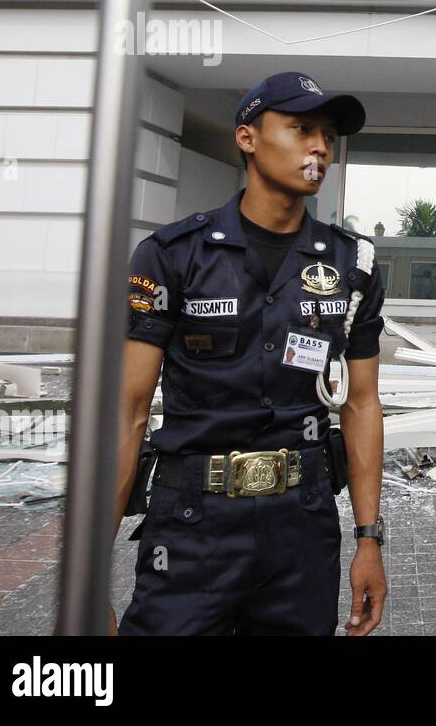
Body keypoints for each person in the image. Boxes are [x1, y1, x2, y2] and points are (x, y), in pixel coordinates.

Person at [112, 71, 388, 635]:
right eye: (301, 129)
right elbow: (128, 412)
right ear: (248, 139)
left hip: (302, 529)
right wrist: (91, 571)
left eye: (328, 137)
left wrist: (369, 539)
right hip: (192, 526)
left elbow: (361, 405)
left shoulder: (350, 267)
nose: (319, 147)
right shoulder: (170, 257)